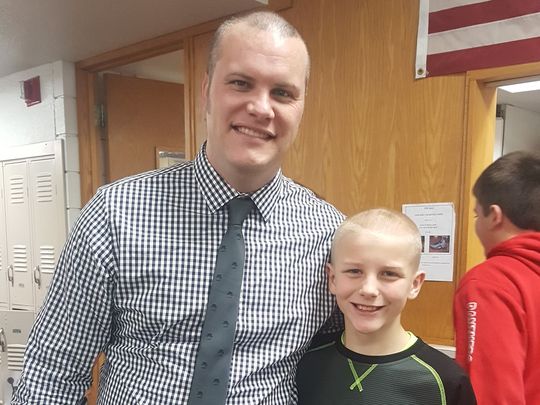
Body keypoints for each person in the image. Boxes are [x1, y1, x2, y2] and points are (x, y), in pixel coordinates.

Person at [12, 11, 343, 404]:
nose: (261, 107)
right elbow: (53, 372)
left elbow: (352, 360)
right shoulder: (115, 213)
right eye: (240, 83)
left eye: (283, 93)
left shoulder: (330, 234)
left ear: (301, 107)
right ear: (206, 91)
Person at [296, 208, 476, 404]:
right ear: (332, 278)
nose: (369, 289)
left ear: (414, 284)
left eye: (389, 274)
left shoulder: (445, 381)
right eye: (354, 271)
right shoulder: (305, 363)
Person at [453, 151, 540, 404]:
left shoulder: (489, 284)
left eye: (477, 215)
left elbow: (491, 393)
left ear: (495, 216)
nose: (477, 224)